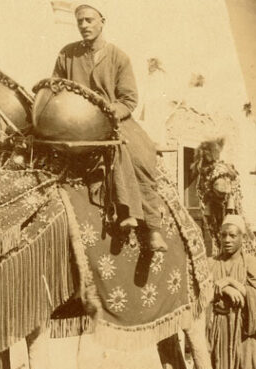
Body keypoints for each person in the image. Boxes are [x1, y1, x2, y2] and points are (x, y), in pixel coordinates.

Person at [52, 1, 168, 252]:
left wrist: (107, 112)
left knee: (135, 153)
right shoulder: (66, 54)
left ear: (102, 21)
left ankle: (149, 225)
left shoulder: (118, 57)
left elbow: (129, 99)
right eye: (80, 21)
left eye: (89, 20)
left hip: (115, 120)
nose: (84, 25)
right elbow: (56, 88)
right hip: (75, 123)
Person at [191, 214, 256, 369]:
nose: (227, 240)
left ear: (242, 238)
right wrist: (220, 286)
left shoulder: (252, 264)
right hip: (217, 330)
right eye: (224, 235)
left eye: (233, 235)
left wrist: (237, 285)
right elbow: (197, 296)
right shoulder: (210, 264)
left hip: (242, 333)